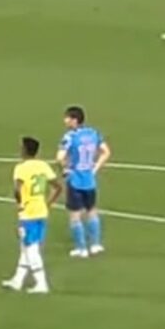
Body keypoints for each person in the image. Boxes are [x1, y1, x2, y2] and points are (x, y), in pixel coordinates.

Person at [2, 137, 62, 295]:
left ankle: (41, 282)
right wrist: (48, 203)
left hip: (28, 213)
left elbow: (17, 189)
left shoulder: (21, 168)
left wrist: (19, 203)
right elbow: (58, 187)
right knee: (25, 246)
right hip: (41, 210)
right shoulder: (43, 166)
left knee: (31, 248)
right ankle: (18, 280)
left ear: (24, 150)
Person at [57, 106, 111, 258]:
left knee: (75, 215)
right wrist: (95, 168)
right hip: (90, 180)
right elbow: (106, 152)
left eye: (67, 118)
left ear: (74, 120)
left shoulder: (70, 137)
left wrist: (65, 169)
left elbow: (60, 157)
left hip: (75, 180)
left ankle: (81, 248)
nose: (65, 121)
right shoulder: (93, 133)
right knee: (92, 211)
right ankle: (95, 244)